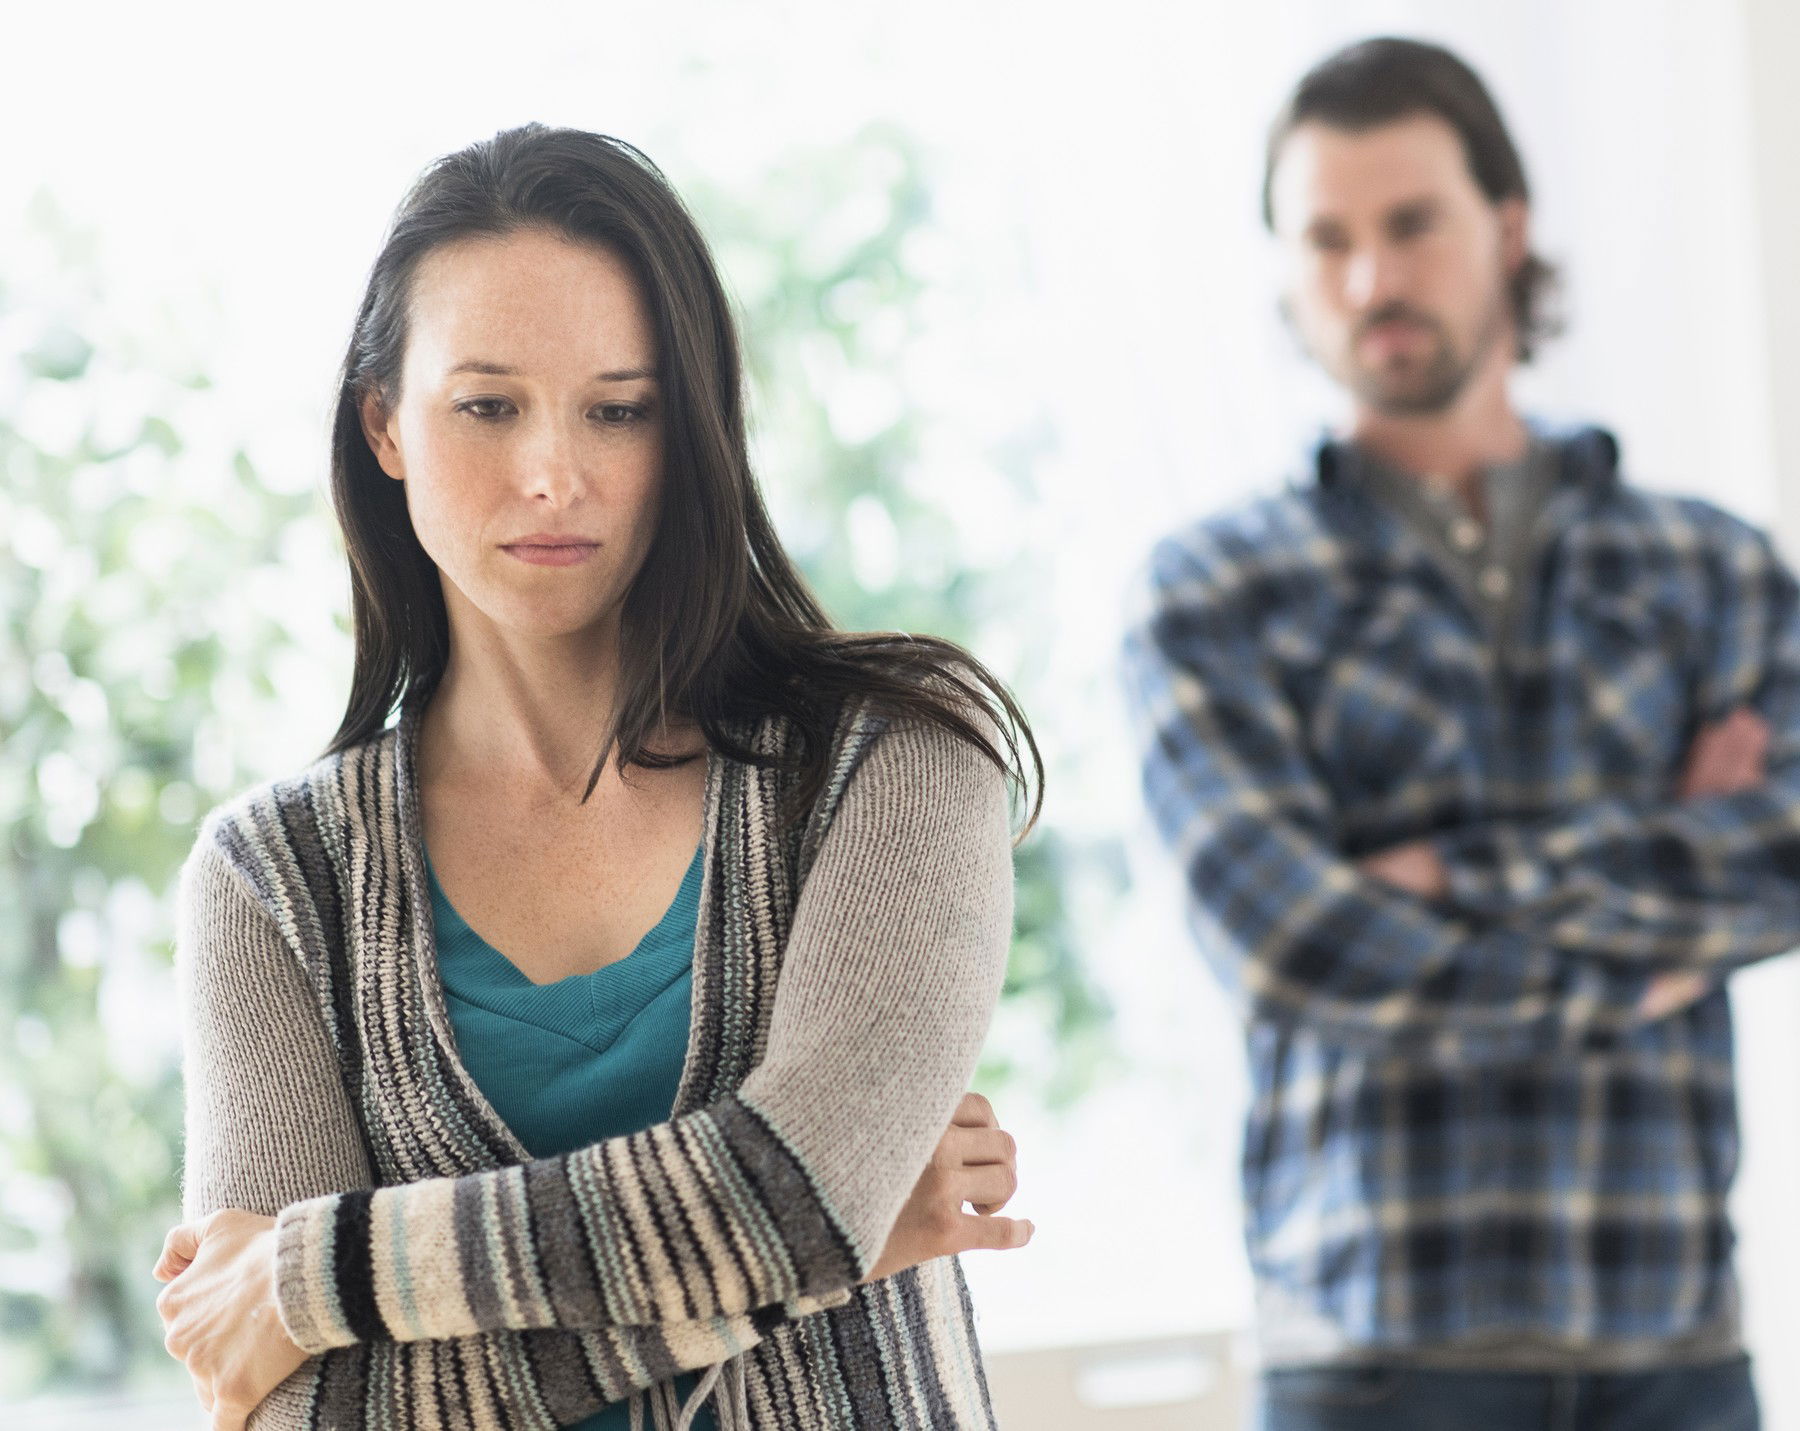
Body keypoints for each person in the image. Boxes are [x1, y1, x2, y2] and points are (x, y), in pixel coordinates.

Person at [150, 124, 1037, 1431]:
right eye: (488, 405)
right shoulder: (273, 884)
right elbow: (293, 1409)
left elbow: (806, 1196)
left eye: (619, 409)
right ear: (386, 423)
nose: (554, 473)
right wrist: (792, 1254)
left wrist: (321, 1271)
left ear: (689, 433)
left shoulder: (893, 762)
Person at [1124, 36, 1798, 1431]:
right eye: (1327, 240)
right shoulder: (1213, 594)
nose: (1372, 279)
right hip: (1368, 1368)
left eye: (1411, 223)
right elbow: (1294, 945)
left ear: (1506, 225)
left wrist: (1448, 879)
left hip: (1674, 1354)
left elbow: (1783, 853)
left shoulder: (1711, 568)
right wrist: (1655, 924)